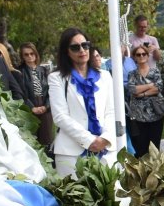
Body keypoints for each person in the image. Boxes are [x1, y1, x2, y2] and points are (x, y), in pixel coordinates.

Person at [49, 28, 117, 177]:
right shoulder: (56, 78)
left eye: (85, 45)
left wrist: (105, 139)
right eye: (75, 47)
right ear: (66, 51)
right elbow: (60, 116)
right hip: (70, 153)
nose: (82, 50)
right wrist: (89, 140)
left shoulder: (105, 76)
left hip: (105, 151)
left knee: (111, 191)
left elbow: (111, 112)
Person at [126, 42, 164, 156]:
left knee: (154, 148)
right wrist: (150, 85)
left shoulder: (155, 71)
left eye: (144, 54)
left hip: (156, 114)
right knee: (140, 148)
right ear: (134, 57)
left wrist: (142, 94)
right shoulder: (132, 74)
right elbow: (133, 90)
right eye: (138, 54)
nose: (141, 56)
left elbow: (158, 88)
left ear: (147, 55)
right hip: (138, 117)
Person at [16, 42, 54, 150]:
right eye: (26, 54)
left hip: (45, 109)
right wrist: (31, 107)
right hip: (30, 109)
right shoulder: (19, 72)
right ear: (22, 56)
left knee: (47, 141)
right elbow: (20, 93)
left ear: (36, 54)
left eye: (32, 53)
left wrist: (46, 106)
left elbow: (51, 91)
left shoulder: (44, 70)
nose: (29, 56)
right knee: (32, 142)